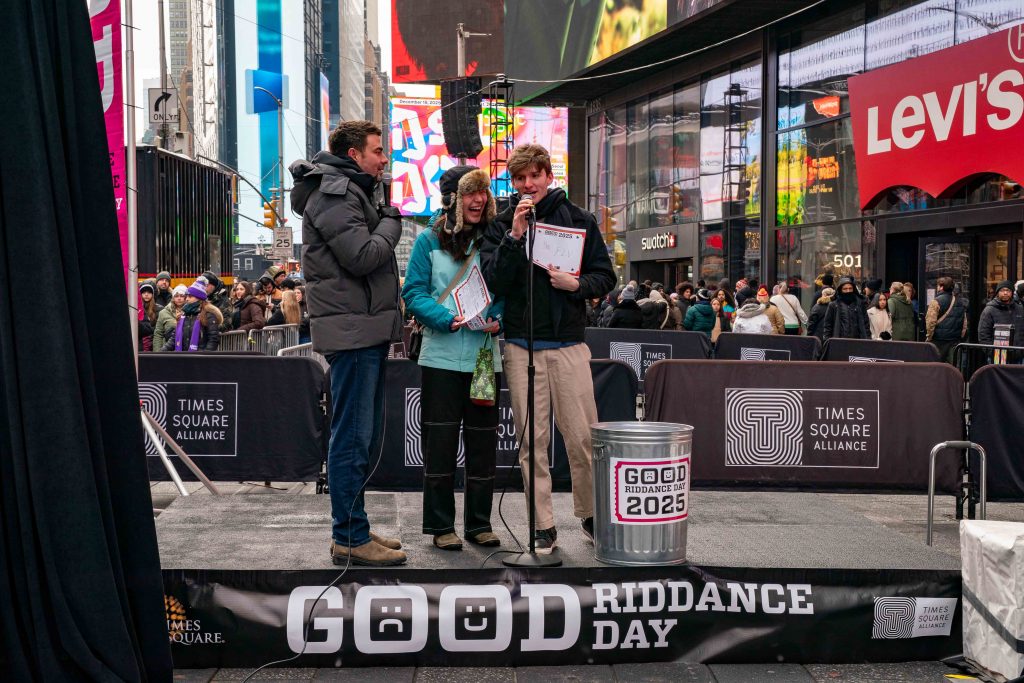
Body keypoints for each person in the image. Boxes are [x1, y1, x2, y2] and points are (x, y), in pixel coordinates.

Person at [480, 143, 616, 552]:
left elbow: (605, 276)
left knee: (582, 437)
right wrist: (514, 236)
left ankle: (590, 515)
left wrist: (577, 285)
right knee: (531, 443)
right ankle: (542, 525)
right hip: (521, 346)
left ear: (548, 176)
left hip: (569, 345)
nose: (527, 184)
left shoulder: (580, 219)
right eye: (519, 178)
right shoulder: (502, 224)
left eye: (534, 176)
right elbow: (493, 280)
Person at [289, 119, 406, 566]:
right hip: (354, 333)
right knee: (353, 438)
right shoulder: (335, 194)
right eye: (378, 150)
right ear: (354, 154)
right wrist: (391, 221)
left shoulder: (348, 191)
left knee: (360, 436)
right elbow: (363, 256)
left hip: (361, 329)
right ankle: (350, 536)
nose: (384, 159)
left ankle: (354, 525)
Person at [402, 165, 504, 551]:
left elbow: (507, 288)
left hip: (484, 359)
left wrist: (499, 317)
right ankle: (441, 526)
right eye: (469, 193)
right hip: (440, 358)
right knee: (440, 445)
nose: (479, 199)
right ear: (452, 199)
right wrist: (446, 319)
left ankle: (479, 524)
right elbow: (413, 292)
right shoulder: (428, 240)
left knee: (483, 446)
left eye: (483, 192)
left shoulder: (495, 238)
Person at [161, 280, 221, 351]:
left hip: (201, 356)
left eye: (190, 296)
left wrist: (205, 355)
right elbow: (174, 338)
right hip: (184, 356)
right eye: (186, 296)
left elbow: (213, 339)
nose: (186, 299)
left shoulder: (208, 315)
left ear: (199, 298)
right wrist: (161, 351)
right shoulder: (183, 315)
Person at [925, 276, 968, 363]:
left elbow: (930, 322)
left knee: (937, 365)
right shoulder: (960, 302)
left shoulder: (936, 301)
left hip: (939, 340)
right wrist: (961, 336)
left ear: (941, 287)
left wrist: (929, 337)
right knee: (953, 366)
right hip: (954, 340)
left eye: (938, 285)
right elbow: (964, 322)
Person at [978, 280, 1024, 347]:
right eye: (1002, 290)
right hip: (997, 352)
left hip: (1018, 352)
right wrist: (992, 351)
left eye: (1008, 290)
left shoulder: (1019, 309)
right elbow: (983, 335)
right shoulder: (989, 310)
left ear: (1012, 292)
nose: (1005, 293)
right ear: (997, 293)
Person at [823, 276, 870, 341]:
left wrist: (868, 339)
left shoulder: (860, 304)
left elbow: (866, 324)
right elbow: (828, 326)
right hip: (839, 342)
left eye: (850, 288)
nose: (848, 291)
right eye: (845, 289)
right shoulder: (833, 305)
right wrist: (827, 341)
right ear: (840, 290)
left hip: (858, 342)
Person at [154, 284, 187, 351]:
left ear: (186, 297)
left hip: (185, 350)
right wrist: (157, 353)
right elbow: (158, 334)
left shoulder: (190, 312)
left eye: (182, 296)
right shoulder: (163, 313)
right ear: (173, 298)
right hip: (167, 350)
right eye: (176, 296)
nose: (179, 298)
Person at [138, 281, 162, 352]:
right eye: (143, 292)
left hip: (153, 343)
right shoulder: (137, 309)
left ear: (153, 294)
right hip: (140, 342)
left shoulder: (159, 309)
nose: (146, 294)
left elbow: (158, 329)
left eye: (149, 292)